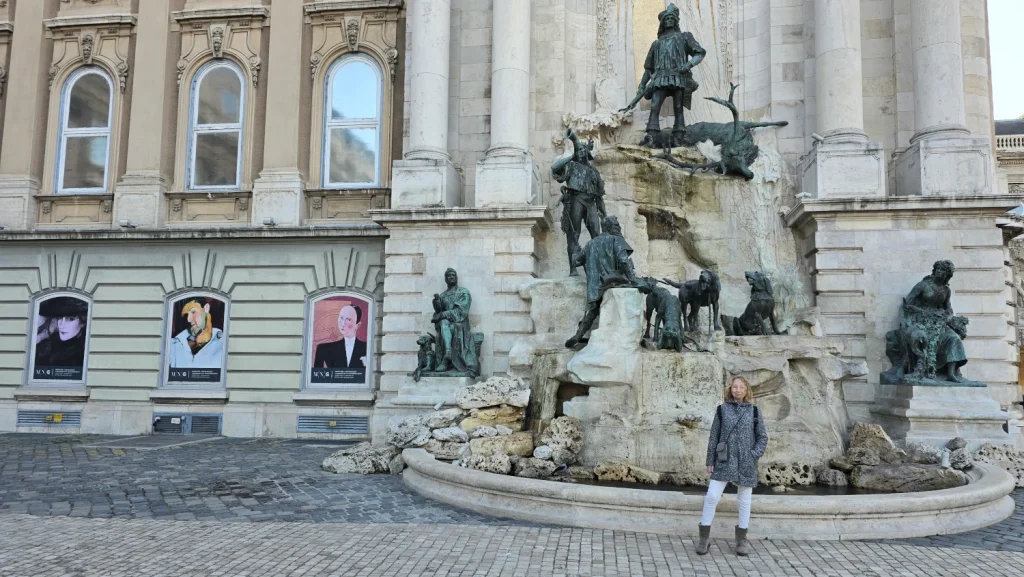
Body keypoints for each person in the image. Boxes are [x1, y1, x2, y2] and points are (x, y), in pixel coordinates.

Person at [697, 375, 768, 557]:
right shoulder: (722, 410)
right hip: (724, 460)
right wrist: (709, 461)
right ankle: (704, 538)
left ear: (746, 390)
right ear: (731, 389)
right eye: (734, 387)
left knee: (744, 501)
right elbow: (714, 437)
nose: (737, 390)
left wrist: (753, 455)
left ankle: (741, 540)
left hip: (746, 462)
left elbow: (762, 437)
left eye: (741, 387)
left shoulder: (754, 411)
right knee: (712, 496)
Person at [635, 3, 706, 147]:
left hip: (678, 77)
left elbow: (700, 52)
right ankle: (652, 135)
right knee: (655, 106)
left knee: (678, 108)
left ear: (675, 21)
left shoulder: (684, 37)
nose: (668, 21)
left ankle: (679, 135)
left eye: (671, 18)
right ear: (662, 23)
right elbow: (648, 68)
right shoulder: (656, 44)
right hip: (660, 78)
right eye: (666, 19)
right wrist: (642, 85)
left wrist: (688, 65)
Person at [552, 128, 606, 276]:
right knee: (573, 235)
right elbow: (554, 168)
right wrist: (571, 156)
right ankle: (573, 270)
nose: (580, 152)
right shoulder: (571, 165)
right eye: (578, 150)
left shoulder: (594, 172)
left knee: (597, 235)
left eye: (582, 150)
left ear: (587, 153)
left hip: (591, 203)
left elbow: (600, 196)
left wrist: (605, 215)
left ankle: (599, 269)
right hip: (575, 199)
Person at [431, 268, 479, 377]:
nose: (452, 277)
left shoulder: (463, 292)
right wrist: (437, 302)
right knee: (444, 323)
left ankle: (447, 357)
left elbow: (461, 312)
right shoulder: (443, 295)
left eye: (454, 275)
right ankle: (447, 353)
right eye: (449, 275)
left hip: (460, 324)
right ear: (445, 279)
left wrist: (442, 315)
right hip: (446, 326)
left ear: (456, 277)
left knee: (445, 323)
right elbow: (439, 312)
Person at [169, 298, 225, 369]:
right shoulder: (173, 345)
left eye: (193, 312)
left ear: (206, 308)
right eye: (187, 315)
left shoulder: (224, 344)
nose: (189, 319)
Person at [34, 296, 88, 369]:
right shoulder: (44, 349)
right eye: (59, 318)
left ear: (83, 322)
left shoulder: (86, 351)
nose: (61, 325)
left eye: (70, 319)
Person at [313, 304, 367, 369]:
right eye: (341, 318)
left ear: (357, 325)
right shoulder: (323, 349)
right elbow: (317, 376)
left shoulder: (367, 348)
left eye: (349, 319)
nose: (343, 323)